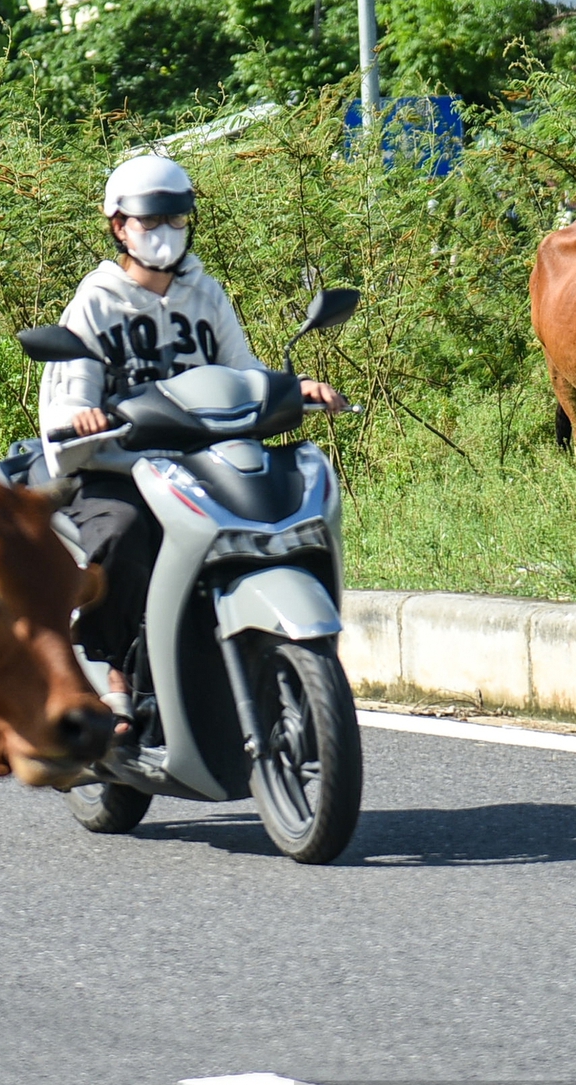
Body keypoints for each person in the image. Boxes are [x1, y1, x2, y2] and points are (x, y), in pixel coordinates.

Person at [38, 154, 347, 733]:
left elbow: (242, 370)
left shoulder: (205, 293)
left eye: (176, 221)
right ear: (119, 226)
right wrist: (81, 417)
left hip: (203, 463)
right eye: (150, 222)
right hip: (121, 468)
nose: (164, 234)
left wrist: (293, 388)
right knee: (124, 535)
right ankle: (115, 675)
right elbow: (72, 391)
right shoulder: (96, 302)